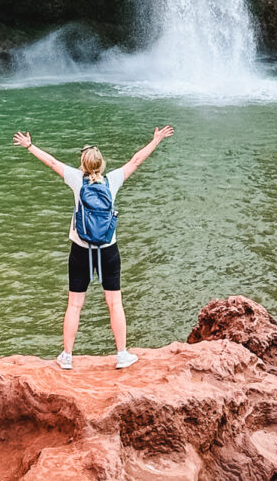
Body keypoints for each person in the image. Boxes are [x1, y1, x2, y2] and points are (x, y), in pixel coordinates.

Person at [13, 125, 174, 370]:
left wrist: (30, 146)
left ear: (83, 164)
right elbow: (137, 160)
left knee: (75, 304)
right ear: (102, 164)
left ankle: (67, 356)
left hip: (81, 249)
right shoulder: (113, 181)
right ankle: (122, 354)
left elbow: (52, 162)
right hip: (108, 249)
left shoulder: (76, 179)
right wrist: (156, 140)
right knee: (114, 303)